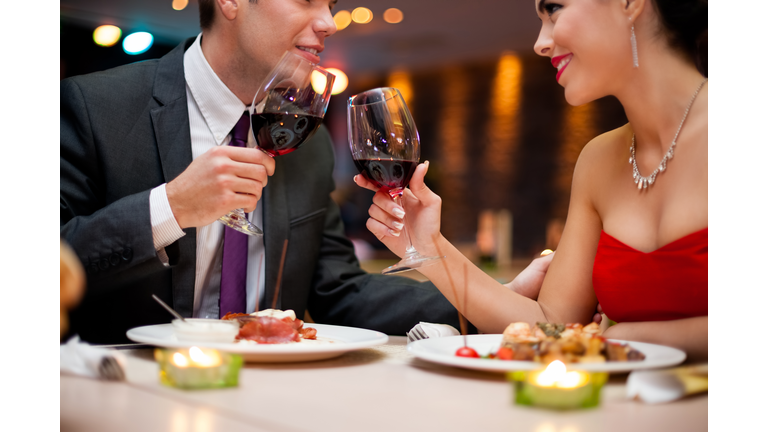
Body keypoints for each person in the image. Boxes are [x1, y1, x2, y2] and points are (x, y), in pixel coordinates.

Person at [60, 0, 552, 344]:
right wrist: (170, 207)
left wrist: (491, 300)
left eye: (331, 4)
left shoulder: (308, 144)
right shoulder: (94, 106)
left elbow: (339, 289)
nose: (330, 22)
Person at [356, 0, 708, 361]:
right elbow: (550, 324)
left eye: (553, 9)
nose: (541, 42)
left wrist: (632, 336)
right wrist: (430, 248)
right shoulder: (598, 159)